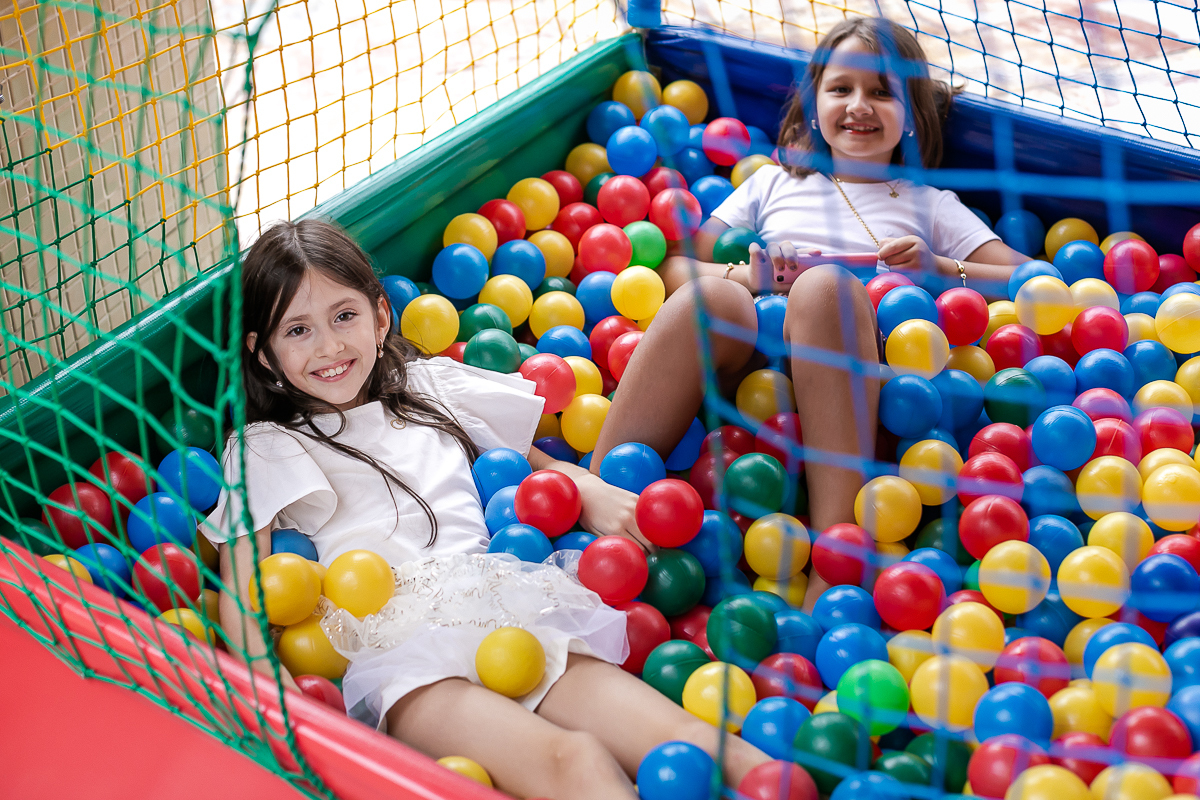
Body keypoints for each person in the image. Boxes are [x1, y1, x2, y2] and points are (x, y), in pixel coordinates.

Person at [203, 218, 768, 800]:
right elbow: (246, 593)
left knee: (685, 739)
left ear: (379, 317)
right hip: (404, 656)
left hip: (506, 605)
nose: (329, 346)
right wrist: (271, 704)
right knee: (574, 761)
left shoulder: (431, 389)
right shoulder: (267, 445)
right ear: (263, 354)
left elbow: (540, 468)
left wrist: (589, 490)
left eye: (343, 316)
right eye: (297, 330)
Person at [592, 16, 1028, 605]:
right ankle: (596, 500)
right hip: (744, 378)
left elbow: (1034, 279)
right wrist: (747, 276)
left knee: (825, 287)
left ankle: (837, 554)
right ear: (814, 101)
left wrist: (939, 270)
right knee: (710, 298)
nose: (859, 106)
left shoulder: (931, 205)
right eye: (841, 89)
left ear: (913, 113)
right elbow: (673, 269)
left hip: (862, 395)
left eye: (882, 92)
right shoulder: (774, 184)